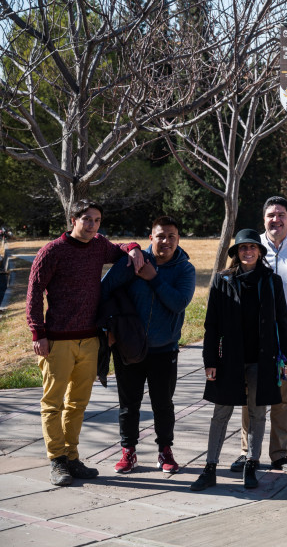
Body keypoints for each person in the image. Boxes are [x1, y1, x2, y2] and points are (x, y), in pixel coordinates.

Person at [26, 200, 143, 486]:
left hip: (90, 340)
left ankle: (73, 458)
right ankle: (57, 461)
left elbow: (121, 250)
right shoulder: (52, 251)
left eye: (97, 220)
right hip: (56, 342)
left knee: (77, 404)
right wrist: (37, 334)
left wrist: (135, 247)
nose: (91, 225)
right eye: (86, 219)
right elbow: (34, 292)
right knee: (52, 404)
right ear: (73, 219)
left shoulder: (99, 245)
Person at [225, 198, 287, 475]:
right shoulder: (252, 248)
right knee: (251, 396)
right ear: (263, 219)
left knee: (284, 398)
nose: (276, 219)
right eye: (270, 215)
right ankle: (247, 453)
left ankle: (280, 453)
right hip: (255, 337)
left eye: (281, 214)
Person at [191, 229, 287, 491]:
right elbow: (211, 325)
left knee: (258, 413)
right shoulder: (222, 280)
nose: (248, 252)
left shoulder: (271, 280)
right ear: (235, 253)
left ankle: (251, 464)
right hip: (229, 360)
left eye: (252, 247)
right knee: (220, 412)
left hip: (263, 359)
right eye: (242, 248)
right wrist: (209, 360)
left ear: (260, 251)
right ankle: (210, 467)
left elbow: (282, 320)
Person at [100, 216, 196, 475]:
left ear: (178, 240)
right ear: (150, 237)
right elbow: (104, 290)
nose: (165, 241)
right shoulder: (133, 261)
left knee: (163, 404)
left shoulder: (184, 269)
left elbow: (178, 303)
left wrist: (154, 278)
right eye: (161, 236)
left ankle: (165, 450)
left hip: (164, 349)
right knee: (128, 405)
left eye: (172, 237)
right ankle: (128, 452)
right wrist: (108, 329)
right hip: (128, 348)